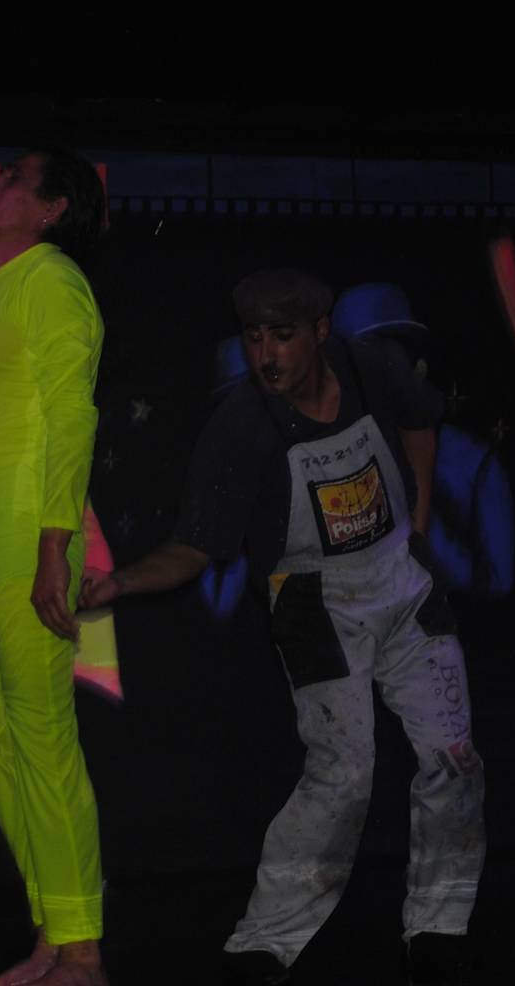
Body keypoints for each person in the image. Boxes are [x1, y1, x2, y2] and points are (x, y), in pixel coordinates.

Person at [81, 268, 485, 986]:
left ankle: (438, 926)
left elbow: (420, 420)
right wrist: (119, 583)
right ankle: (265, 941)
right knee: (343, 773)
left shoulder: (370, 368)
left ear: (320, 333)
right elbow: (194, 547)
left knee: (453, 757)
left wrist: (417, 525)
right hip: (310, 603)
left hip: (403, 585)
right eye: (254, 337)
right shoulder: (240, 427)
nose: (266, 355)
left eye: (282, 336)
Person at [0, 147, 109, 986]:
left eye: (11, 179)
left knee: (43, 746)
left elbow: (70, 414)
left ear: (50, 209)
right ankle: (52, 934)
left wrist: (51, 548)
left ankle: (83, 953)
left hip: (20, 545)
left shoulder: (52, 280)